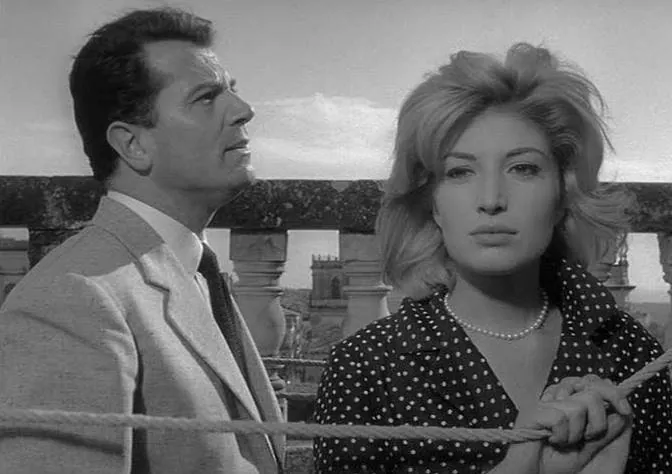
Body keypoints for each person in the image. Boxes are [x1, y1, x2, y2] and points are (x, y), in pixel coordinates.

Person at [313, 43, 672, 473]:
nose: (491, 200)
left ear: (564, 193)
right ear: (431, 203)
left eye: (523, 168)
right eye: (460, 172)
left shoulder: (631, 351)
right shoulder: (364, 366)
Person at [0, 7, 284, 474]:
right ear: (133, 144)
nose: (243, 109)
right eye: (206, 97)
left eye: (232, 89)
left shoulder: (194, 272)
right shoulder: (70, 301)